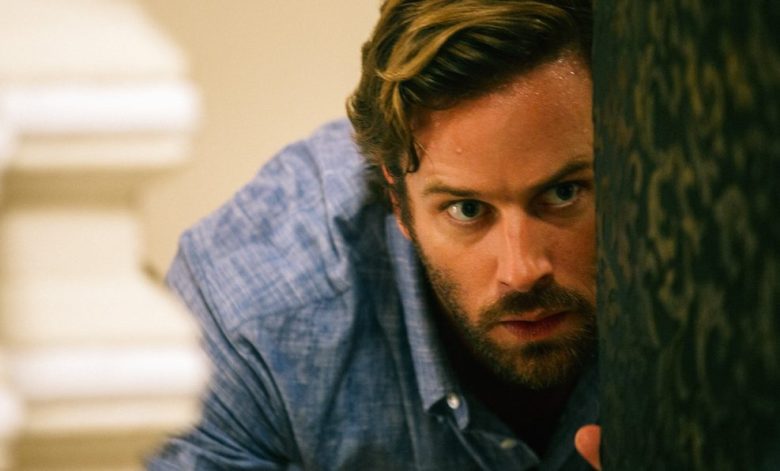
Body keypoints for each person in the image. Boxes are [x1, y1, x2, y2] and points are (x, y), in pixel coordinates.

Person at [148, 0, 600, 469]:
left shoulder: (656, 207)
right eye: (467, 210)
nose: (522, 271)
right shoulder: (249, 325)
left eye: (563, 193)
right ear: (397, 199)